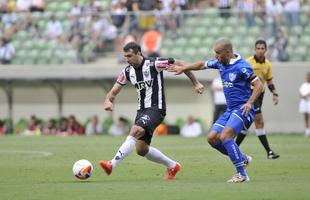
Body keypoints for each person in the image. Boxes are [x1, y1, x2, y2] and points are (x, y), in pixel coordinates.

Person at [99, 42, 204, 180]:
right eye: (125, 56)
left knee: (135, 131)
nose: (127, 59)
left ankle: (111, 164)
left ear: (139, 53)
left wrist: (195, 83)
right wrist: (108, 100)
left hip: (156, 108)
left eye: (130, 55)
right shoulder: (126, 72)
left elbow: (181, 63)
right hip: (141, 111)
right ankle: (173, 166)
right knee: (141, 149)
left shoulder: (154, 64)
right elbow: (112, 92)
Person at [169, 38, 263, 183]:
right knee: (212, 138)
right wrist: (184, 68)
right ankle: (242, 158)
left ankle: (242, 174)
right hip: (230, 110)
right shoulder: (220, 63)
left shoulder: (242, 67)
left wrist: (250, 103)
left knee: (225, 136)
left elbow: (259, 86)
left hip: (243, 109)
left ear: (228, 52)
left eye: (218, 53)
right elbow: (202, 64)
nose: (216, 57)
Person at [235, 40, 280, 159]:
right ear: (255, 49)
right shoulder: (248, 62)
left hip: (261, 94)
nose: (260, 50)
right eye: (258, 48)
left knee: (248, 123)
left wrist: (274, 93)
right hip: (250, 93)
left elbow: (269, 80)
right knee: (259, 121)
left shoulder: (267, 64)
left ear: (266, 50)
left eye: (262, 48)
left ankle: (233, 148)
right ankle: (269, 152)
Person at [299, 72, 310, 137]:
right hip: (304, 102)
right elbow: (300, 93)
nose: (308, 78)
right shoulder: (303, 85)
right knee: (305, 117)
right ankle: (307, 131)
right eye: (307, 77)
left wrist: (306, 95)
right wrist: (303, 96)